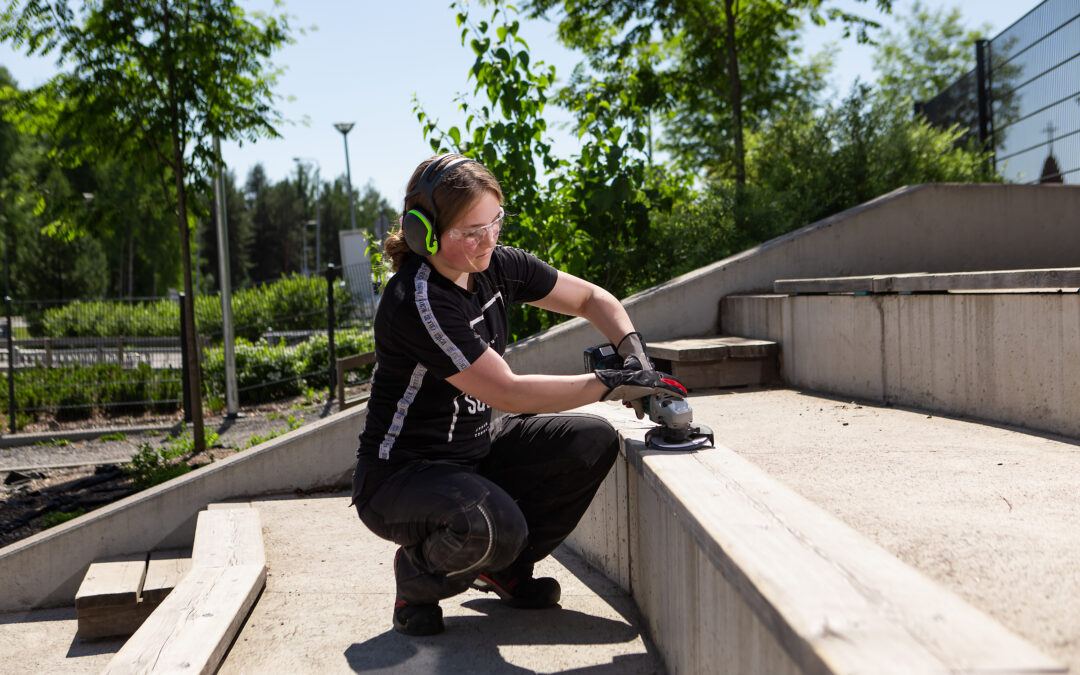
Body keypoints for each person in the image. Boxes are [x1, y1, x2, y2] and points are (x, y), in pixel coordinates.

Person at [351, 153, 686, 636]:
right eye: (470, 232)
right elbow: (508, 392)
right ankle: (417, 579)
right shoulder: (419, 301)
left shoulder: (496, 265)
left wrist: (634, 356)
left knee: (590, 443)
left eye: (495, 223)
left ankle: (503, 569)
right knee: (492, 525)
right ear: (425, 232)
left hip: (475, 454)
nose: (488, 240)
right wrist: (608, 384)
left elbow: (594, 300)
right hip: (402, 478)